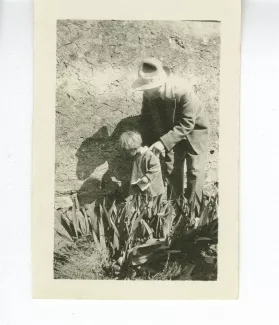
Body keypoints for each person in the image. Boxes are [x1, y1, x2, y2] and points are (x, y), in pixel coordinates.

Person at [132, 57, 209, 204]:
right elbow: (147, 120)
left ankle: (194, 209)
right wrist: (147, 144)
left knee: (195, 170)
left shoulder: (182, 91)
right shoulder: (149, 93)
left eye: (149, 89)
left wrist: (162, 143)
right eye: (145, 89)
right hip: (170, 132)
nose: (146, 93)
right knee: (171, 168)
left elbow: (187, 123)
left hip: (195, 130)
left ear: (159, 84)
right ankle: (176, 205)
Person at [119, 130, 164, 198]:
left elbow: (156, 167)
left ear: (134, 149)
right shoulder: (135, 156)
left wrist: (147, 177)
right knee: (141, 200)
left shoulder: (148, 155)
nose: (126, 153)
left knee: (151, 202)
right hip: (141, 186)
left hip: (151, 187)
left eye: (127, 151)